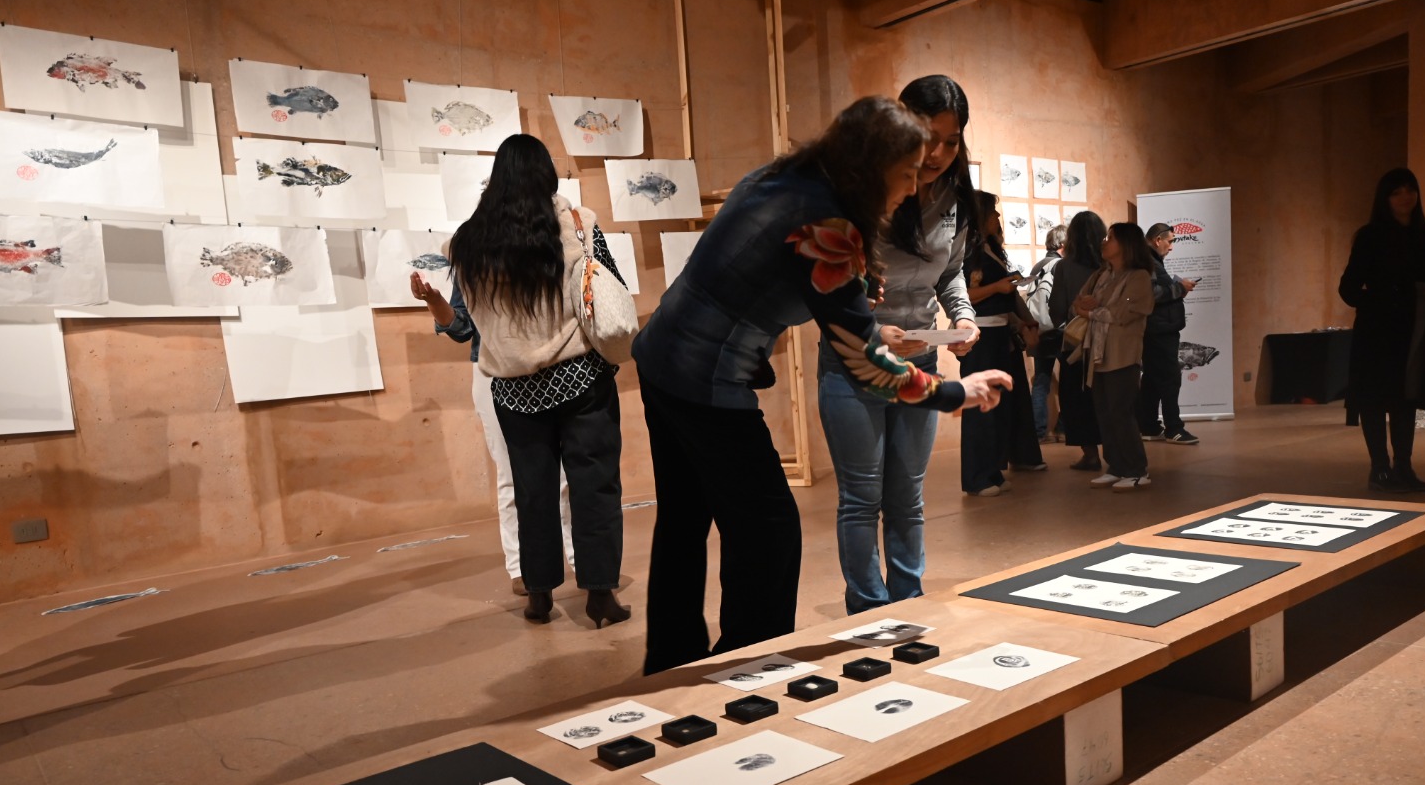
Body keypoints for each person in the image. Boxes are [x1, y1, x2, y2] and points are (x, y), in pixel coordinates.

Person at [632, 96, 1012, 673]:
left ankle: (672, 659)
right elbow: (866, 363)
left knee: (685, 521)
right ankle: (747, 666)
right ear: (871, 166)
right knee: (770, 529)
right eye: (907, 173)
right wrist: (957, 392)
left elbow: (778, 277)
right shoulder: (826, 224)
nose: (913, 188)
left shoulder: (785, 178)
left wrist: (856, 299)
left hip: (663, 356)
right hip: (703, 376)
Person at [418, 133, 630, 629]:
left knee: (533, 491)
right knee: (595, 487)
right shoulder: (578, 225)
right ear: (546, 174)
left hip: (514, 390)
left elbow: (466, 324)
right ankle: (600, 595)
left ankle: (538, 596)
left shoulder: (467, 245)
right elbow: (609, 286)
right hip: (581, 378)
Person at [818, 75, 982, 614]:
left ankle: (908, 603)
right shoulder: (861, 193)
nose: (937, 154)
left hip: (922, 357)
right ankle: (869, 609)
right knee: (861, 497)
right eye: (928, 137)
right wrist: (870, 327)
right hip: (855, 361)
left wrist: (962, 316)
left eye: (951, 141)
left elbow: (951, 272)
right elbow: (828, 284)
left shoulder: (956, 199)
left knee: (908, 496)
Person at [414, 277, 575, 597]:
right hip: (493, 369)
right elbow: (461, 328)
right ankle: (520, 565)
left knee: (564, 473)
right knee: (511, 474)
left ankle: (579, 557)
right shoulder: (473, 258)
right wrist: (434, 301)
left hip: (550, 366)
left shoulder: (545, 250)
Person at [1339, 167, 1425, 493]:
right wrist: (1377, 303)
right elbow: (1348, 288)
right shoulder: (1370, 236)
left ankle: (1404, 467)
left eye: (1410, 190)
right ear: (1384, 198)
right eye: (1396, 192)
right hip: (1377, 331)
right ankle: (1379, 469)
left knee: (1406, 399)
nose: (1405, 197)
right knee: (1373, 398)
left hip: (1414, 328)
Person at [960, 190, 1045, 496]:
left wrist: (1022, 321)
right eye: (993, 212)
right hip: (980, 335)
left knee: (998, 405)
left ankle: (993, 470)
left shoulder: (990, 249)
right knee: (980, 406)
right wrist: (997, 287)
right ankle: (977, 477)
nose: (998, 218)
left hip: (999, 333)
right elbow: (966, 295)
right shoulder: (968, 253)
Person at [1072, 222, 1156, 491]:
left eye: (1111, 238)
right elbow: (1078, 301)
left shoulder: (1138, 277)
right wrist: (1084, 306)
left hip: (1123, 354)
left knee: (1121, 412)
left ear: (1127, 244)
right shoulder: (1101, 274)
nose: (1104, 242)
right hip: (1098, 353)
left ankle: (1137, 469)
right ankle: (1116, 466)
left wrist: (1091, 310)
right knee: (1104, 412)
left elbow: (1123, 314)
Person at [1049, 211, 1107, 470]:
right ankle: (1115, 453)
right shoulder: (1109, 265)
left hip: (1076, 342)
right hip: (1108, 339)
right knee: (1107, 397)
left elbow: (1057, 309)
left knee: (1078, 398)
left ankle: (1090, 454)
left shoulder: (1064, 267)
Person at [1138, 223, 1199, 446]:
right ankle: (1174, 428)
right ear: (1158, 240)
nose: (1171, 247)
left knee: (1152, 379)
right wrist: (1180, 288)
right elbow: (1151, 293)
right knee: (1170, 378)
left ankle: (1149, 426)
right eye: (1170, 241)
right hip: (1159, 330)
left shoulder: (1149, 260)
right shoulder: (1148, 261)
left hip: (1157, 329)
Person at [1029, 224, 1066, 444]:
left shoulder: (1038, 265)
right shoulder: (1060, 266)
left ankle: (1038, 432)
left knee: (1041, 382)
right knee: (1069, 381)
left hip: (1039, 329)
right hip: (1058, 329)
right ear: (1063, 244)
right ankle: (1063, 428)